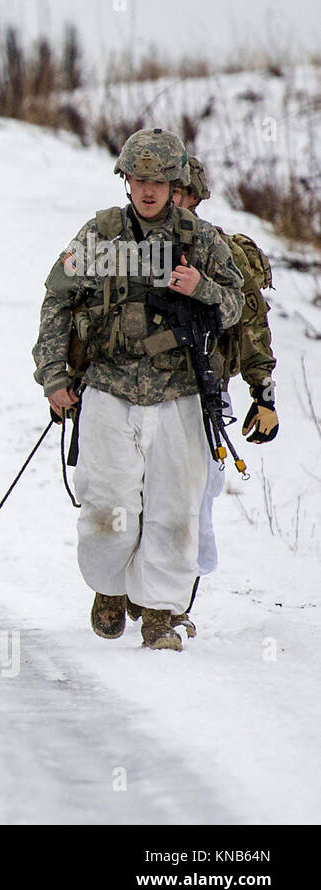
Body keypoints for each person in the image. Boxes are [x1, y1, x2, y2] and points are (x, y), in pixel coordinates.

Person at [33, 129, 244, 651]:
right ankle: (109, 587)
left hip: (180, 394)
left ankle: (160, 614)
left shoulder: (202, 241)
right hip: (108, 387)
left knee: (175, 511)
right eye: (139, 179)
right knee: (107, 507)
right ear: (126, 180)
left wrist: (204, 289)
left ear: (176, 184)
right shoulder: (100, 234)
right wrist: (54, 377)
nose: (148, 190)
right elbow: (57, 300)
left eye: (158, 180)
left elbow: (239, 308)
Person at [173, 156, 278, 586]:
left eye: (178, 189)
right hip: (133, 389)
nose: (168, 196)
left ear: (196, 196)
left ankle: (176, 597)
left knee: (196, 495)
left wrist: (264, 394)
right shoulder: (127, 241)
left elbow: (252, 325)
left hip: (202, 388)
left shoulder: (219, 251)